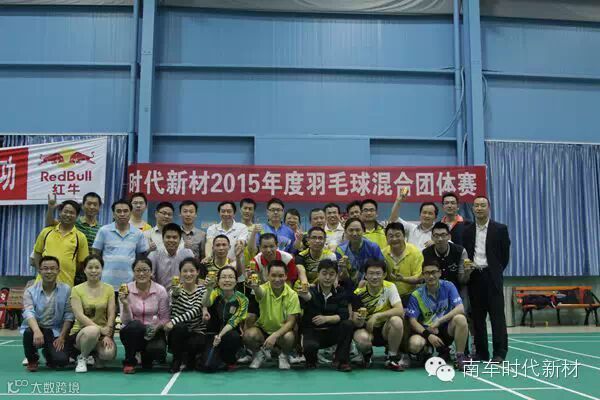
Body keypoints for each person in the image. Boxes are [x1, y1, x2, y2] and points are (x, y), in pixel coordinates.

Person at [462, 196, 510, 363]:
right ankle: (481, 352)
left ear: (488, 207)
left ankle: (499, 353)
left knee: (497, 317)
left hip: (492, 277)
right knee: (477, 318)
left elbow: (504, 256)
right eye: (476, 206)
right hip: (474, 276)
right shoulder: (467, 230)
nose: (479, 208)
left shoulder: (500, 229)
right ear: (472, 209)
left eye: (483, 205)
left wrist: (495, 270)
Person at [406, 260, 469, 370]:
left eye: (434, 272)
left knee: (461, 319)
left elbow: (460, 308)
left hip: (445, 328)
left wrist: (439, 321)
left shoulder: (448, 286)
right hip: (426, 331)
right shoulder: (416, 295)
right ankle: (426, 351)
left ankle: (459, 357)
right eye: (427, 273)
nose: (431, 276)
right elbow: (412, 321)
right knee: (414, 345)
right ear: (422, 275)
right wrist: (428, 335)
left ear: (439, 273)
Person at [243, 260, 301, 370]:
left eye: (281, 276)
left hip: (282, 333)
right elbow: (259, 292)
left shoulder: (292, 295)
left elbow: (291, 322)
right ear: (267, 276)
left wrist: (275, 335)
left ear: (286, 276)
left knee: (289, 337)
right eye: (273, 275)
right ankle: (259, 354)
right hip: (263, 331)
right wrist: (255, 287)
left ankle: (283, 355)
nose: (277, 279)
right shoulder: (263, 288)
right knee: (248, 335)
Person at [298, 259, 353, 372]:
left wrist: (327, 319)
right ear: (318, 274)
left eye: (331, 274)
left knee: (348, 324)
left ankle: (341, 360)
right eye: (324, 273)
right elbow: (309, 300)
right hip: (313, 332)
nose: (327, 277)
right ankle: (311, 360)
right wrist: (305, 296)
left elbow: (344, 314)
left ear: (336, 276)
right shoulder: (310, 291)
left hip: (332, 332)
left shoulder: (341, 291)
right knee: (310, 349)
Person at [351, 259, 406, 371]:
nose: (374, 277)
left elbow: (400, 310)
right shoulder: (359, 292)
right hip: (368, 329)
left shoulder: (390, 287)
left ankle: (392, 357)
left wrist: (377, 316)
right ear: (365, 275)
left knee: (397, 320)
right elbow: (355, 320)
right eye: (371, 273)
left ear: (384, 275)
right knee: (361, 338)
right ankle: (367, 355)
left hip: (385, 329)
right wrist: (359, 319)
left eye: (378, 273)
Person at [21, 256, 73, 372]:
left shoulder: (66, 290)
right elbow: (29, 313)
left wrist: (62, 337)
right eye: (45, 268)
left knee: (61, 361)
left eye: (53, 268)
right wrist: (36, 331)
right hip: (37, 328)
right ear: (39, 271)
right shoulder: (30, 291)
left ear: (58, 271)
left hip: (55, 331)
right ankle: (32, 359)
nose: (49, 271)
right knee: (29, 332)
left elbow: (69, 315)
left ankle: (48, 353)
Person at [118, 257, 170, 373]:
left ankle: (145, 355)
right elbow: (126, 321)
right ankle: (129, 361)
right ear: (133, 272)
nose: (141, 274)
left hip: (153, 331)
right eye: (138, 270)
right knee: (135, 326)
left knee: (157, 351)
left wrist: (156, 328)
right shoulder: (126, 289)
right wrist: (125, 304)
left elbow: (165, 318)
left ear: (151, 272)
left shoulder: (160, 290)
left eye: (145, 270)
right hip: (132, 332)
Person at [69, 255, 116, 373]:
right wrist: (100, 329)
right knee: (92, 331)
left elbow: (111, 313)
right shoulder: (76, 289)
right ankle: (82, 357)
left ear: (102, 269)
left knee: (108, 354)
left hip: (103, 333)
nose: (94, 271)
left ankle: (93, 355)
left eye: (97, 267)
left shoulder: (109, 289)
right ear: (84, 270)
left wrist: (108, 334)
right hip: (82, 332)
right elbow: (79, 315)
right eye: (90, 267)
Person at [45, 192, 102, 285]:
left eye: (95, 204)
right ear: (83, 206)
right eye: (89, 204)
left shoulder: (101, 229)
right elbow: (49, 224)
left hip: (91, 272)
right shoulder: (72, 221)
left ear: (99, 207)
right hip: (71, 272)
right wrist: (51, 209)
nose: (92, 207)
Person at [92, 199, 149, 292]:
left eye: (125, 211)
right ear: (113, 214)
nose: (122, 214)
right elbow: (95, 254)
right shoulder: (104, 231)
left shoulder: (138, 233)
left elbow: (141, 258)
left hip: (129, 284)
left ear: (130, 213)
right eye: (118, 211)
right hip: (106, 283)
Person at [164, 258, 207, 373]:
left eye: (192, 271)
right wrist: (175, 294)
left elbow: (195, 310)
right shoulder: (175, 290)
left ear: (197, 272)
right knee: (179, 327)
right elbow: (174, 303)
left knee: (198, 341)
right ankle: (176, 361)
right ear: (180, 273)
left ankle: (190, 358)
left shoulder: (203, 290)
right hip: (178, 332)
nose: (188, 274)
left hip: (196, 331)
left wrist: (172, 322)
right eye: (185, 271)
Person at [33, 200, 89, 287]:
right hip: (42, 282)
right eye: (65, 211)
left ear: (77, 216)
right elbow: (37, 252)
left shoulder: (80, 237)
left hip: (66, 284)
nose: (68, 215)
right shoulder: (46, 231)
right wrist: (40, 270)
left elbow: (81, 263)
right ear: (60, 213)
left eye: (72, 213)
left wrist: (68, 268)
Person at [202, 266, 248, 371]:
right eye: (223, 277)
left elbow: (233, 321)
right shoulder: (215, 292)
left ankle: (230, 359)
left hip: (229, 334)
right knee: (208, 366)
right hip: (212, 334)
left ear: (236, 281)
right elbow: (206, 303)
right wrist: (208, 290)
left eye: (231, 277)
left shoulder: (243, 299)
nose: (227, 280)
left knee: (232, 337)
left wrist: (220, 336)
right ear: (218, 281)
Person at [422, 222, 471, 294]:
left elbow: (462, 281)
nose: (440, 239)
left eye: (443, 235)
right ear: (432, 237)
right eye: (436, 236)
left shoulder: (460, 251)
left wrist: (467, 273)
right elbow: (425, 278)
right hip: (434, 291)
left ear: (449, 236)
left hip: (456, 291)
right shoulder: (426, 253)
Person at [382, 222, 424, 303]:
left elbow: (420, 278)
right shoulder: (383, 254)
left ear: (404, 236)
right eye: (391, 236)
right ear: (386, 238)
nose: (394, 239)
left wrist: (403, 279)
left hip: (411, 295)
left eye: (398, 235)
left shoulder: (415, 252)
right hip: (389, 296)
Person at [336, 218, 384, 286]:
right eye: (351, 230)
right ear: (345, 231)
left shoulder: (373, 247)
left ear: (363, 231)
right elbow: (342, 278)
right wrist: (343, 269)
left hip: (371, 285)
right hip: (348, 286)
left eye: (358, 230)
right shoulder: (340, 250)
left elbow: (382, 270)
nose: (354, 234)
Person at [148, 223, 194, 290]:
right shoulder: (154, 255)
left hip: (183, 294)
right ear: (162, 239)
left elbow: (193, 276)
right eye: (168, 237)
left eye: (175, 237)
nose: (171, 240)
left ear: (180, 239)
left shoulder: (188, 254)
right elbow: (150, 278)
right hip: (160, 294)